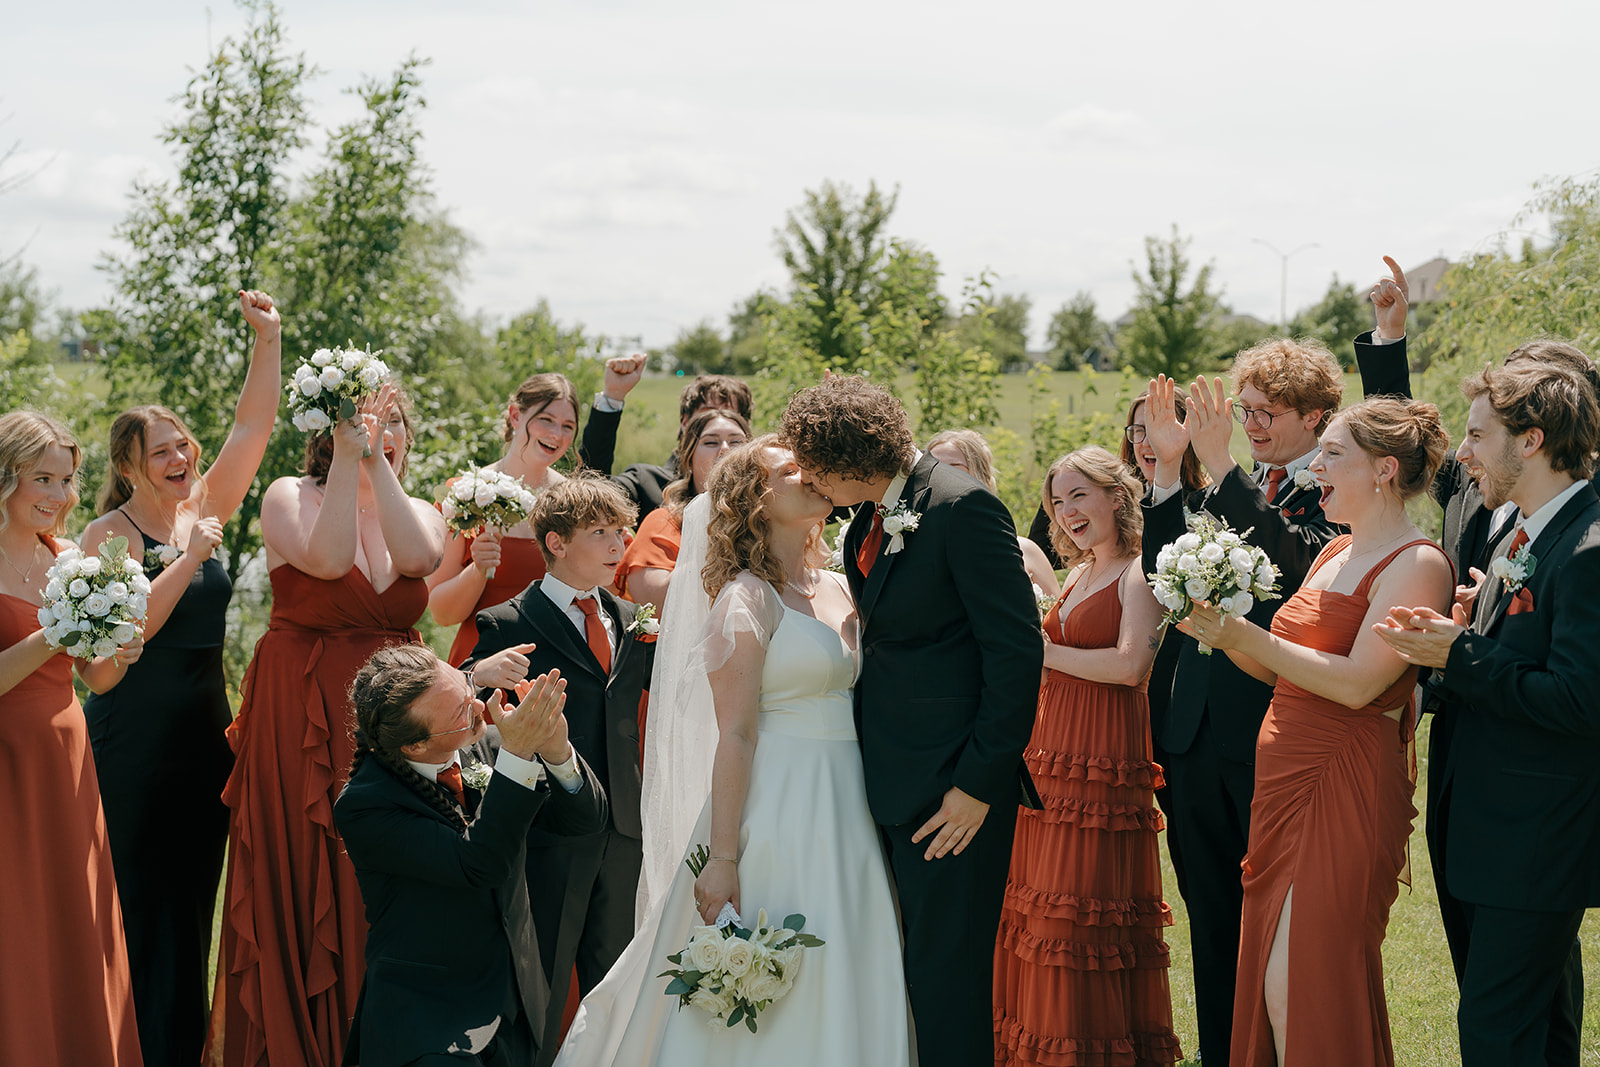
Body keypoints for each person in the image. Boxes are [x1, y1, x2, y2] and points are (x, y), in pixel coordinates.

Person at [552, 436, 912, 1066]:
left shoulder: (840, 583)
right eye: (788, 471)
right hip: (776, 807)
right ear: (756, 501)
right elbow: (737, 734)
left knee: (851, 947)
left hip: (848, 801)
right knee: (780, 960)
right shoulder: (746, 599)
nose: (809, 475)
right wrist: (722, 858)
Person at [1137, 257, 1411, 1066]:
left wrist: (1218, 468)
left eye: (1267, 412)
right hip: (1192, 736)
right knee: (1214, 920)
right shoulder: (1237, 482)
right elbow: (1169, 577)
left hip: (1276, 739)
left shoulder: (1339, 501)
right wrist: (1163, 474)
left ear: (1318, 417)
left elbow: (1294, 566)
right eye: (1242, 410)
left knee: (1276, 926)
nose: (1250, 424)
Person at [1182, 396, 1452, 1066]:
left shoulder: (1418, 563)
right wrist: (1218, 630)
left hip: (1344, 781)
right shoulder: (1334, 549)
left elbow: (1360, 682)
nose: (1317, 466)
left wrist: (1249, 635)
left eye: (1334, 454)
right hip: (1283, 783)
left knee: (1303, 981)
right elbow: (1285, 670)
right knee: (1272, 974)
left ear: (1386, 469)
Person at [781, 376, 1043, 1066]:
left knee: (946, 979)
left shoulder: (964, 507)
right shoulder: (867, 520)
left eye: (814, 466)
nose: (810, 480)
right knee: (902, 970)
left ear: (845, 461)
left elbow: (1015, 655)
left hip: (952, 794)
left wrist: (977, 785)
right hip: (887, 783)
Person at [206, 384, 446, 1067]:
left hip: (395, 707)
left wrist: (377, 469)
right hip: (301, 705)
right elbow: (332, 559)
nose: (382, 428)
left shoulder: (421, 509)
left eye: (395, 420)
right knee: (309, 861)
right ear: (330, 427)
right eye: (368, 418)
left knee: (386, 864)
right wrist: (349, 462)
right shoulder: (290, 494)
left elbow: (422, 562)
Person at [1376, 360, 1600, 1067]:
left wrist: (1460, 653)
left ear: (1530, 440)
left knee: (1497, 1032)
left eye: (1477, 435)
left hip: (1533, 840)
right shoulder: (1516, 538)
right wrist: (1462, 638)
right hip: (1482, 828)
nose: (1462, 452)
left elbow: (1579, 699)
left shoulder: (1588, 551)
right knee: (1541, 1028)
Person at [78, 290, 281, 1067]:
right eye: (160, 449)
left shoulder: (204, 504)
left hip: (203, 733)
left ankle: (180, 1049)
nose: (181, 457)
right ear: (128, 464)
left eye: (183, 444)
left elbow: (252, 428)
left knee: (193, 907)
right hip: (130, 741)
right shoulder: (108, 536)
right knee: (133, 902)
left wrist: (269, 342)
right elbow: (129, 633)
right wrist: (191, 555)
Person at [994, 446, 1182, 1067]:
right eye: (1058, 501)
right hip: (1052, 760)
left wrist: (1040, 654)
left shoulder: (1138, 571)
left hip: (1102, 760)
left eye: (1080, 495)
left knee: (1082, 919)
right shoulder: (1076, 572)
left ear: (1117, 496)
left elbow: (1131, 666)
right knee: (1041, 911)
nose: (1068, 510)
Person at [336, 646, 606, 1067]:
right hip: (431, 1025)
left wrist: (556, 749)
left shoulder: (487, 746)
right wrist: (518, 756)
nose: (480, 706)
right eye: (461, 712)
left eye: (467, 689)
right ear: (415, 745)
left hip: (518, 1008)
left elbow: (584, 821)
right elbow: (478, 863)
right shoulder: (366, 807)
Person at [462, 477, 652, 1066]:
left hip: (624, 828)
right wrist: (474, 678)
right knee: (538, 987)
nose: (618, 541)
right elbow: (460, 703)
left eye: (621, 530)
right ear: (557, 542)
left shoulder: (631, 618)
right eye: (600, 532)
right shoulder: (505, 622)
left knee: (617, 986)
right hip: (548, 832)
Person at [0, 411, 146, 1066]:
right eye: (43, 478)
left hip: (65, 757)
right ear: (7, 477)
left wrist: (122, 647)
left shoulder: (68, 559)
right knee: (17, 925)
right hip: (8, 763)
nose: (59, 496)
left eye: (67, 479)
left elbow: (97, 679)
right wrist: (50, 634)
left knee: (72, 919)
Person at [429, 373, 584, 667]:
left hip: (555, 666)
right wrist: (477, 571)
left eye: (568, 427)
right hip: (480, 661)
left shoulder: (576, 503)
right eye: (546, 419)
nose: (557, 434)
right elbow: (441, 613)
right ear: (515, 416)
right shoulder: (463, 494)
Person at [614, 407, 750, 612]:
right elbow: (652, 603)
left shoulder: (773, 519)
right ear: (689, 460)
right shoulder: (664, 521)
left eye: (736, 442)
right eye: (710, 442)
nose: (724, 449)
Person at [579, 368, 752, 521]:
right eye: (708, 414)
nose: (717, 421)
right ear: (685, 422)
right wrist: (612, 397)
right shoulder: (646, 483)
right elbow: (590, 495)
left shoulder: (763, 491)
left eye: (729, 416)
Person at [924, 428, 1060, 598]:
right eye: (933, 469)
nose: (941, 478)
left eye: (954, 468)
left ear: (981, 477)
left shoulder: (1025, 552)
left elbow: (1057, 619)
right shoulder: (906, 551)